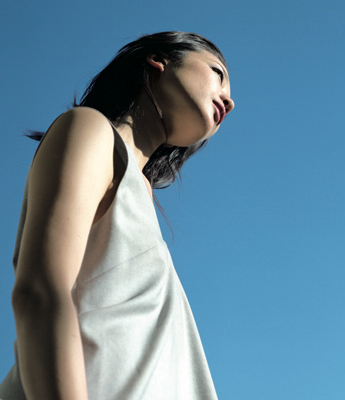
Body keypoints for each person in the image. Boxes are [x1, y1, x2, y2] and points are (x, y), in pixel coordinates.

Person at [0, 31, 234, 400]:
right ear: (158, 61)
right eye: (217, 73)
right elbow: (40, 292)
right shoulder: (91, 129)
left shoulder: (140, 193)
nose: (230, 101)